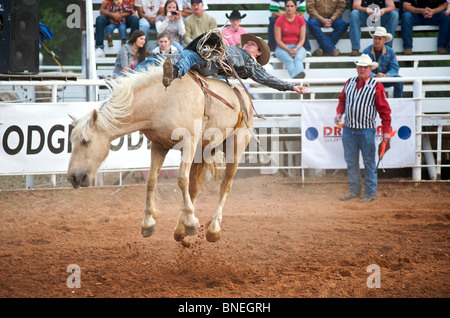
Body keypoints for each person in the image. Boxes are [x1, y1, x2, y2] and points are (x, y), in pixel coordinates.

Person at [156, 32, 308, 95]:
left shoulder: (251, 63)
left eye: (253, 44)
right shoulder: (233, 48)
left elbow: (268, 79)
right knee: (158, 58)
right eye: (248, 42)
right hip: (205, 56)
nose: (248, 44)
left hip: (212, 64)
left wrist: (292, 87)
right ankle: (137, 73)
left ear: (258, 53)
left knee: (188, 55)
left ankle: (174, 73)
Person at [334, 54, 392, 203]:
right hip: (349, 129)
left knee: (369, 162)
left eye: (365, 67)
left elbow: (384, 110)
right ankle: (355, 191)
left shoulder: (376, 86)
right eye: (360, 66)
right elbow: (342, 100)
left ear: (370, 69)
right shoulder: (350, 82)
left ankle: (370, 193)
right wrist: (339, 113)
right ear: (357, 67)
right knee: (351, 161)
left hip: (366, 130)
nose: (362, 69)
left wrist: (386, 131)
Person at [362, 26, 403, 98]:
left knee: (399, 81)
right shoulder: (366, 51)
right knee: (362, 80)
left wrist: (386, 75)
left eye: (379, 38)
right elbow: (362, 68)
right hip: (371, 79)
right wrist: (374, 75)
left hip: (386, 79)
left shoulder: (390, 51)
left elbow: (394, 68)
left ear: (384, 40)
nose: (377, 41)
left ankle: (398, 104)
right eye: (375, 38)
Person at [274, 0, 307, 78]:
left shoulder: (300, 20)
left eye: (292, 6)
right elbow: (278, 39)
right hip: (282, 47)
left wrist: (296, 49)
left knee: (298, 59)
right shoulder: (279, 20)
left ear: (295, 7)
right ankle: (300, 81)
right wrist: (288, 50)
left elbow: (302, 39)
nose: (289, 8)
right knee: (289, 61)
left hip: (297, 46)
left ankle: (297, 80)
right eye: (287, 6)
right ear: (285, 7)